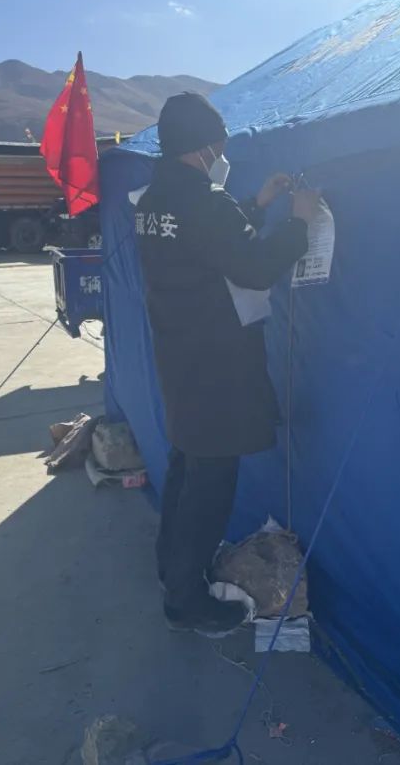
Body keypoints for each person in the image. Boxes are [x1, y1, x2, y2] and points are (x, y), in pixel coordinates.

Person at [135, 92, 323, 635]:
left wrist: (257, 206)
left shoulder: (152, 199)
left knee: (185, 465)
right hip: (215, 358)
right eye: (217, 146)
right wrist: (299, 223)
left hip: (178, 351)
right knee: (210, 483)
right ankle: (186, 601)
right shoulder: (203, 201)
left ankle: (171, 569)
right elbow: (254, 267)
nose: (220, 156)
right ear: (202, 147)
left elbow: (206, 243)